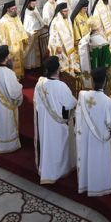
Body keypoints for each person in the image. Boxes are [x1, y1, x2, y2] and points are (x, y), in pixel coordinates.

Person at [76, 67, 111, 196]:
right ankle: (100, 185)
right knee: (99, 161)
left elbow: (78, 115)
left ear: (92, 80)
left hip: (86, 138)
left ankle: (86, 183)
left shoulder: (83, 96)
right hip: (101, 140)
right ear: (105, 81)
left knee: (88, 159)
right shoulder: (107, 101)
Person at [34, 56, 77, 184]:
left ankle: (47, 170)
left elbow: (37, 105)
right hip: (58, 124)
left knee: (48, 145)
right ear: (57, 71)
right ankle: (58, 171)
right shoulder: (61, 86)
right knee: (58, 146)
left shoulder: (39, 84)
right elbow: (70, 104)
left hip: (44, 122)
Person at [0, 45, 23, 154]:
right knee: (7, 125)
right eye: (9, 55)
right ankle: (8, 145)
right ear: (6, 58)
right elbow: (15, 93)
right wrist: (19, 85)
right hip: (7, 107)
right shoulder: (9, 73)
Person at [0, 0, 29, 79]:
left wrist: (23, 38)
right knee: (12, 62)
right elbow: (2, 37)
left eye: (15, 8)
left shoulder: (16, 17)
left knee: (20, 60)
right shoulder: (3, 21)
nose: (15, 10)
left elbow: (21, 28)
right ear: (8, 9)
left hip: (19, 44)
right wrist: (5, 49)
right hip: (10, 46)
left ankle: (20, 75)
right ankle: (13, 78)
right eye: (13, 9)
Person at [48, 3, 77, 74]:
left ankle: (71, 72)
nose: (66, 13)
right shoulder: (56, 21)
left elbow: (71, 31)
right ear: (60, 12)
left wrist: (73, 40)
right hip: (60, 46)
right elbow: (53, 35)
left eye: (67, 11)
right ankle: (63, 74)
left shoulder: (68, 19)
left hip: (68, 44)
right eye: (64, 11)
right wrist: (57, 46)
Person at [20, 0, 45, 69]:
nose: (34, 4)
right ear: (28, 3)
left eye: (35, 2)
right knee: (31, 52)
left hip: (38, 33)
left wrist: (43, 25)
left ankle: (37, 65)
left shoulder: (35, 9)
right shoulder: (26, 13)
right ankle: (30, 66)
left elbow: (39, 19)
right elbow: (25, 25)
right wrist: (31, 32)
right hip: (31, 34)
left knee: (37, 50)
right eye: (32, 2)